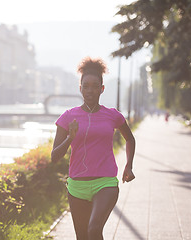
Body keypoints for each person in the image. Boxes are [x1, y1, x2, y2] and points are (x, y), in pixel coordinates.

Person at [51, 57, 136, 240]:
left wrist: (128, 165)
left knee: (93, 229)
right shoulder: (67, 117)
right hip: (77, 186)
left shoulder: (113, 115)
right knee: (82, 237)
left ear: (102, 89)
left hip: (105, 183)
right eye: (86, 86)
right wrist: (69, 138)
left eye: (95, 86)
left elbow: (129, 139)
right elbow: (54, 156)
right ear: (80, 88)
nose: (90, 90)